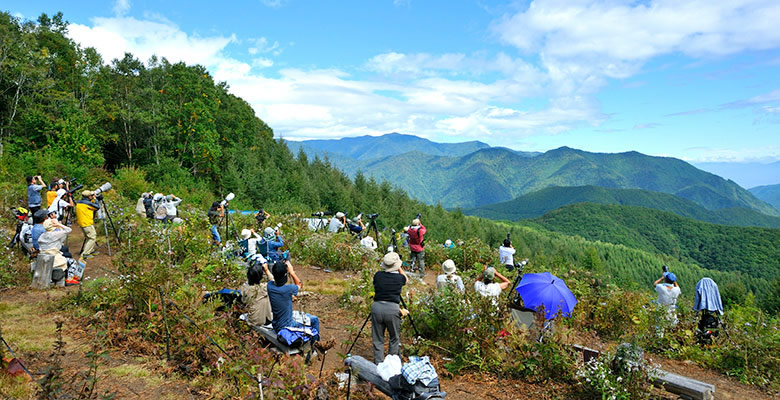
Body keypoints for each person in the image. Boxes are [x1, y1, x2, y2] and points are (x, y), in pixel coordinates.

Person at [371, 252, 409, 364]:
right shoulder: (399, 278)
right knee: (394, 338)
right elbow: (406, 280)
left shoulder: (378, 275)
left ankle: (378, 364)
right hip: (392, 308)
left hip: (377, 307)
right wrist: (399, 268)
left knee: (378, 339)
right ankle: (391, 364)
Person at [267, 260, 320, 335]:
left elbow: (273, 280)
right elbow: (300, 285)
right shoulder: (288, 289)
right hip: (287, 326)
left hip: (276, 325)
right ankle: (314, 344)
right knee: (314, 319)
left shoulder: (269, 286)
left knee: (302, 315)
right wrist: (292, 272)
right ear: (285, 275)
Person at [38, 217, 74, 284]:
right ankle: (69, 279)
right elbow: (69, 230)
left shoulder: (42, 236)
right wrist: (59, 224)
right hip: (55, 259)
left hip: (45, 258)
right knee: (72, 262)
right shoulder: (54, 234)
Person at [75, 190, 100, 259]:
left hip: (82, 222)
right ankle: (85, 254)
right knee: (92, 237)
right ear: (89, 196)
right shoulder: (87, 203)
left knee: (88, 237)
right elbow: (97, 207)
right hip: (87, 223)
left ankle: (90, 250)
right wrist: (95, 199)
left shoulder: (79, 202)